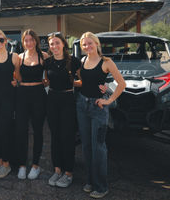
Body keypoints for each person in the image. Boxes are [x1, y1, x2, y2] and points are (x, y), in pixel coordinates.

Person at [77, 32, 126, 199]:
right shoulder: (83, 61)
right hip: (82, 105)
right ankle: (90, 181)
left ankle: (101, 186)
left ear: (97, 44)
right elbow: (84, 82)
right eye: (84, 44)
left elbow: (122, 84)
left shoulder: (106, 62)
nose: (87, 47)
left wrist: (108, 100)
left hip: (98, 108)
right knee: (86, 146)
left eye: (90, 43)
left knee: (98, 146)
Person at [44, 32, 81, 188]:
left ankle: (68, 173)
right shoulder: (48, 62)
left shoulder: (73, 61)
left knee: (67, 137)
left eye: (57, 43)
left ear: (64, 44)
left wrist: (74, 83)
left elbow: (82, 80)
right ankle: (57, 170)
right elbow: (46, 80)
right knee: (55, 136)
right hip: (52, 100)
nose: (54, 46)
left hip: (67, 100)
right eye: (51, 44)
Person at [0, 30, 20, 179]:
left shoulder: (14, 57)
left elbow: (19, 76)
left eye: (1, 40)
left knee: (3, 130)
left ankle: (7, 164)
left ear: (6, 41)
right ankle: (0, 162)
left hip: (8, 97)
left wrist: (17, 82)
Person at [15, 29, 48, 180]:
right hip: (22, 96)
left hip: (38, 96)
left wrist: (46, 81)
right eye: (26, 40)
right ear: (23, 42)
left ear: (36, 41)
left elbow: (48, 77)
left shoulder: (44, 56)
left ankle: (35, 165)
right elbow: (18, 77)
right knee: (21, 131)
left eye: (31, 40)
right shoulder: (19, 58)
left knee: (37, 131)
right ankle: (22, 165)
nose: (29, 43)